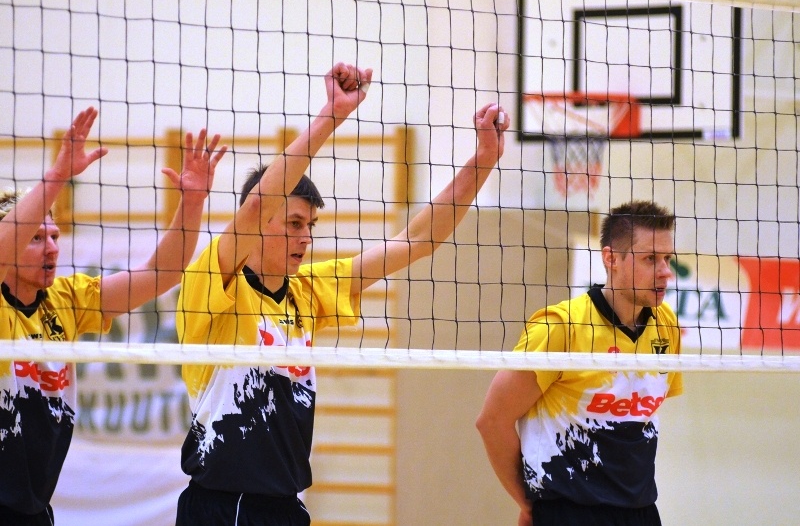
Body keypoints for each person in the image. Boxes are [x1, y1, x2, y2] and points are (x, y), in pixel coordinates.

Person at [175, 61, 510, 526]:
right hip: (224, 504)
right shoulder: (214, 280)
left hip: (286, 506)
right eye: (294, 224)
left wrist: (484, 159)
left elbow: (419, 240)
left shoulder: (308, 290)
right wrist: (332, 115)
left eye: (310, 226)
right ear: (260, 223)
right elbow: (259, 203)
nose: (305, 237)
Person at [0, 106, 227, 525]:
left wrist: (192, 202)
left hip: (32, 506)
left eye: (55, 235)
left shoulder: (67, 299)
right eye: (35, 238)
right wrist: (58, 175)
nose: (52, 247)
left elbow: (161, 274)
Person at [476, 200, 684, 526]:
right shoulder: (560, 327)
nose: (665, 272)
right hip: (569, 511)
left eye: (667, 259)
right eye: (650, 259)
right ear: (611, 258)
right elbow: (492, 421)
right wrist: (528, 503)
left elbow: (639, 416)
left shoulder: (666, 324)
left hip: (641, 511)